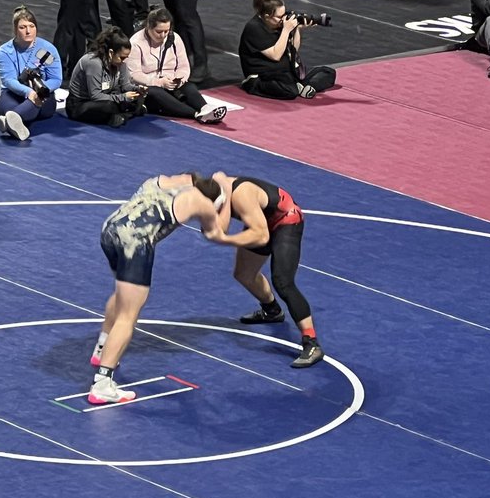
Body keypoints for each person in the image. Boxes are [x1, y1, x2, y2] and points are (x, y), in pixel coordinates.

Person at [88, 173, 229, 404]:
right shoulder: (200, 201)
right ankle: (102, 383)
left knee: (121, 293)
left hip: (110, 231)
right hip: (135, 245)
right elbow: (217, 232)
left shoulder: (163, 180)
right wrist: (227, 191)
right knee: (128, 316)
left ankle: (102, 348)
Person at [217, 174, 324, 368]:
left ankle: (312, 343)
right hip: (260, 220)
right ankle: (272, 311)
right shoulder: (210, 195)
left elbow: (261, 235)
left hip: (286, 220)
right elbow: (214, 227)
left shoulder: (242, 194)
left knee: (283, 281)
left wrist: (227, 240)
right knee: (244, 274)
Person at [127, 8, 225, 123]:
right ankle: (196, 114)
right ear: (149, 27)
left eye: (166, 31)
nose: (163, 35)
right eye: (159, 32)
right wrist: (159, 82)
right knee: (155, 92)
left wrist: (179, 79)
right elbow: (134, 75)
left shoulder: (174, 38)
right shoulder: (135, 43)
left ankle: (205, 107)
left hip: (170, 82)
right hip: (147, 86)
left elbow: (183, 66)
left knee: (189, 86)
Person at [238, 0, 335, 100]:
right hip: (264, 76)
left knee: (328, 72)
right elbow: (276, 55)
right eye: (280, 16)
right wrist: (286, 30)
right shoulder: (254, 28)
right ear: (267, 16)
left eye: (284, 14)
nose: (284, 19)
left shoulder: (279, 24)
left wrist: (297, 29)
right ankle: (299, 87)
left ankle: (304, 88)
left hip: (286, 71)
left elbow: (294, 49)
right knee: (289, 91)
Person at [0, 5, 64, 142]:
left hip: (43, 95)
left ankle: (11, 121)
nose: (28, 31)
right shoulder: (5, 51)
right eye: (23, 27)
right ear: (15, 30)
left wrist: (39, 91)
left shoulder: (46, 50)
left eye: (31, 26)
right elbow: (9, 80)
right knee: (5, 106)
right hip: (14, 93)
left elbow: (56, 79)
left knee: (30, 105)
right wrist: (28, 92)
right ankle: (14, 121)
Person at [65, 28, 144, 128]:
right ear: (111, 53)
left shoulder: (121, 64)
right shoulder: (93, 62)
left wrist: (137, 89)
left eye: (126, 57)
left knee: (134, 99)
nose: (124, 60)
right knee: (110, 105)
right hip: (81, 104)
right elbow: (96, 96)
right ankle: (125, 113)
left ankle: (121, 115)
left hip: (106, 97)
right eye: (122, 57)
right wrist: (123, 97)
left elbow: (125, 86)